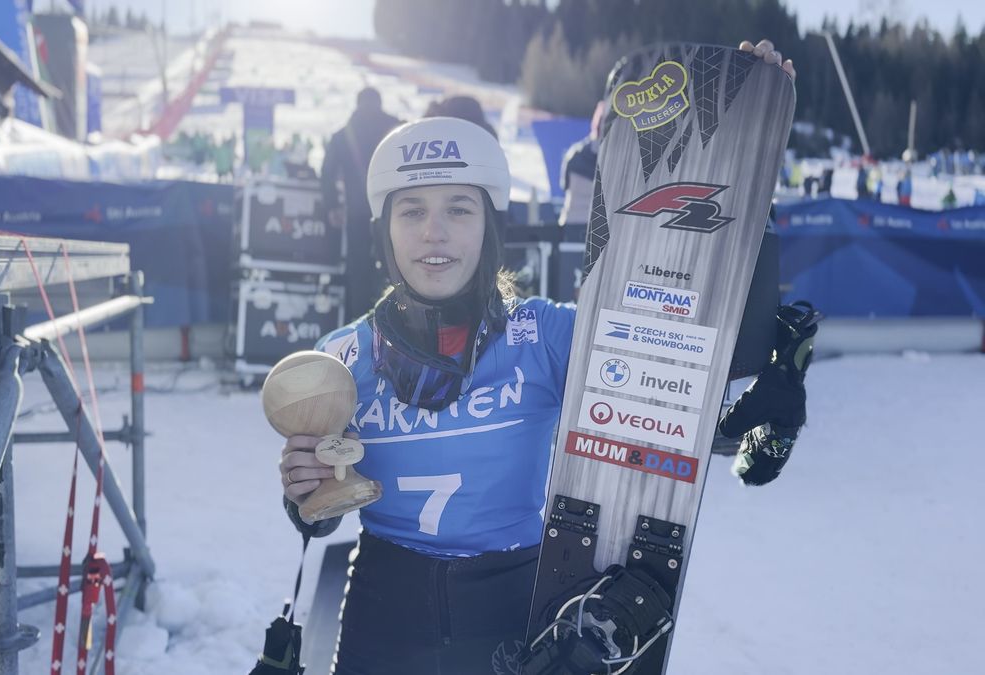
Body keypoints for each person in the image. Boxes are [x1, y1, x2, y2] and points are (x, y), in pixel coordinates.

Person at [279, 40, 806, 675]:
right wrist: (303, 489)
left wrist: (744, 141)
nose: (434, 231)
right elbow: (318, 520)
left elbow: (664, 395)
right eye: (411, 210)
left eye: (459, 209)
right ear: (384, 232)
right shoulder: (340, 359)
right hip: (382, 615)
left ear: (489, 228)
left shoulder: (544, 334)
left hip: (509, 610)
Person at [319, 87, 403, 319]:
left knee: (358, 271)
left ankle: (357, 322)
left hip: (357, 211)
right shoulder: (396, 128)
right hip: (392, 211)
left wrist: (332, 206)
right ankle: (398, 319)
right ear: (379, 102)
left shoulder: (344, 134)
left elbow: (327, 172)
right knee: (397, 266)